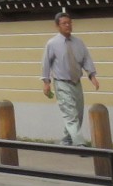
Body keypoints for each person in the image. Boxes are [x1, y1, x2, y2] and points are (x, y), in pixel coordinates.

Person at [40, 11, 100, 146]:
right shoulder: (52, 43)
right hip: (62, 83)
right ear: (57, 26)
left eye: (69, 22)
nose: (68, 25)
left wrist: (92, 76)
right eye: (64, 23)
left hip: (76, 82)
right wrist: (46, 83)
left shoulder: (78, 42)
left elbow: (86, 59)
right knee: (70, 114)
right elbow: (46, 64)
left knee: (78, 113)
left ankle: (67, 139)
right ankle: (80, 144)